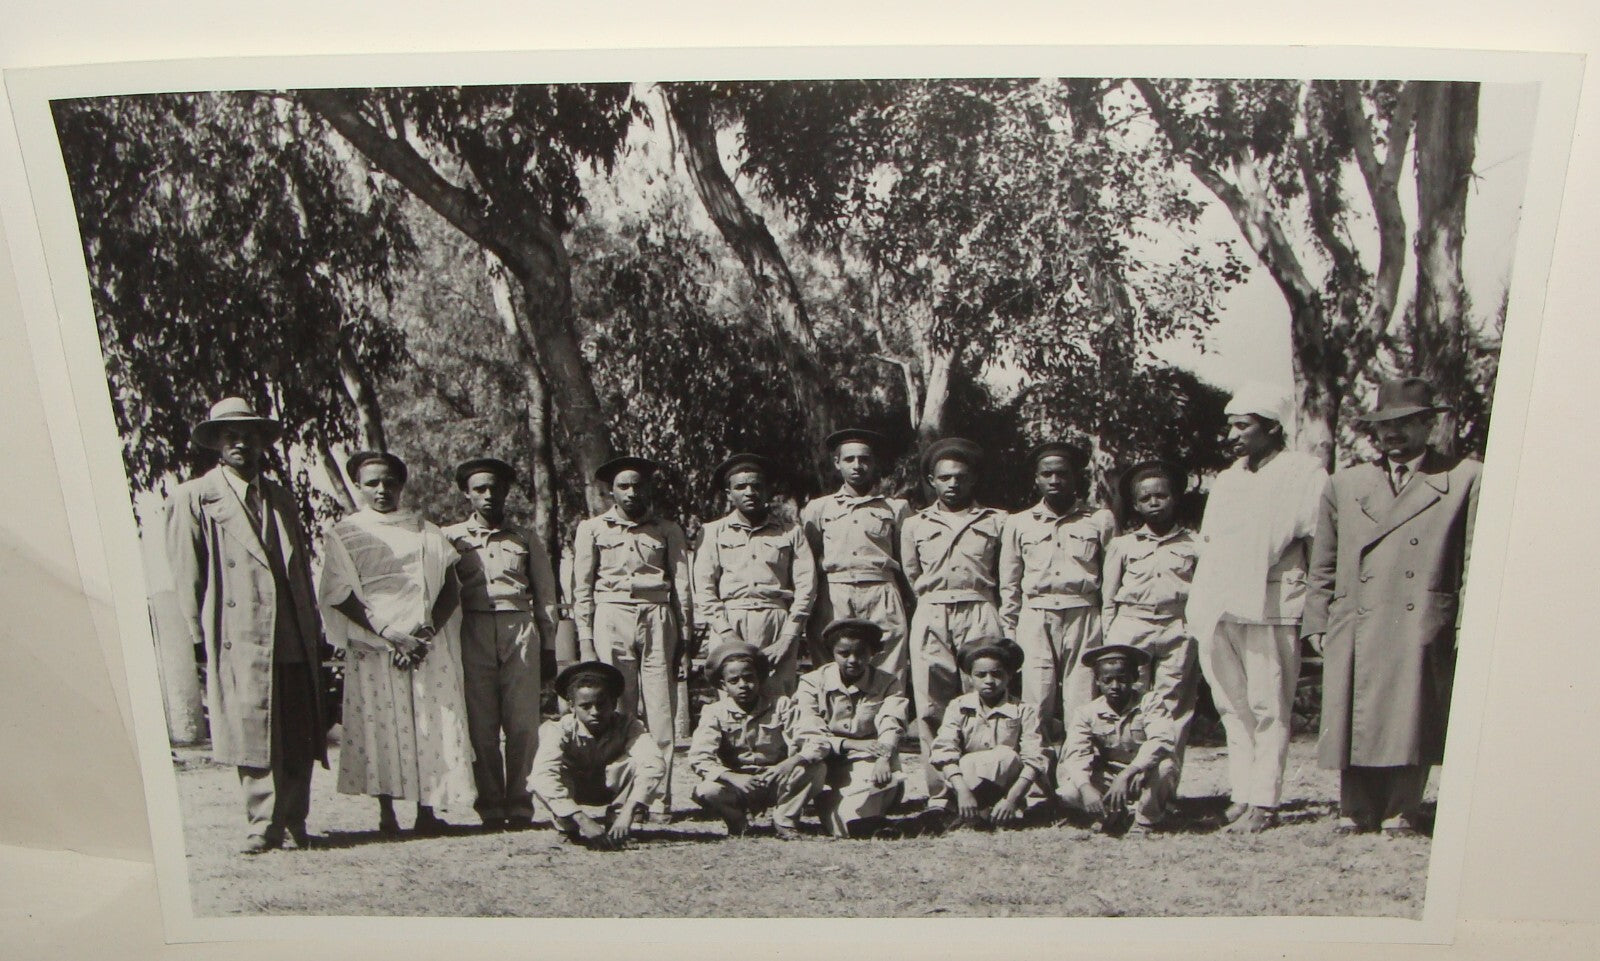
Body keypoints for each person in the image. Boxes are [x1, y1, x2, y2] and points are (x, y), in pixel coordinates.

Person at [1302, 378, 1480, 836]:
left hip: (1419, 614)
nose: (1394, 434)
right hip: (1356, 615)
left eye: (1405, 423)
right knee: (1351, 708)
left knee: (1411, 710)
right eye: (1384, 426)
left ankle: (1403, 808)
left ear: (1428, 425)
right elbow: (1322, 560)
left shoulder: (1465, 477)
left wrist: (1466, 622)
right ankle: (1355, 808)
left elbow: (1477, 558)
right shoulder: (1345, 484)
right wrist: (1317, 618)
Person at [163, 397, 328, 855]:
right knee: (254, 726)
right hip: (238, 628)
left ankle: (295, 820)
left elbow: (298, 569)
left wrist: (313, 624)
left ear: (262, 441)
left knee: (297, 726)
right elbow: (186, 573)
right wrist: (197, 637)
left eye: (249, 434)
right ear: (216, 442)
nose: (241, 443)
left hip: (291, 628)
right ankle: (262, 823)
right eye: (230, 435)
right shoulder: (194, 497)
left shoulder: (280, 496)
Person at [1186, 383, 1329, 833]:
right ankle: (1242, 793)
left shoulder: (1304, 472)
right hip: (1220, 603)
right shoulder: (1228, 479)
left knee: (1269, 706)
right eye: (1231, 426)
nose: (1233, 435)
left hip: (1270, 603)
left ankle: (1265, 802)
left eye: (1243, 426)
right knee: (1233, 705)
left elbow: (1311, 538)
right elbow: (1211, 543)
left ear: (1271, 428)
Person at [319, 450, 477, 835]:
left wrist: (421, 637)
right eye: (372, 482)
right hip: (376, 641)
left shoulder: (425, 530)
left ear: (402, 484)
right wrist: (390, 635)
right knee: (381, 723)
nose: (382, 489)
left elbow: (450, 590)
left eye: (389, 481)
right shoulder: (345, 533)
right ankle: (386, 813)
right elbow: (338, 593)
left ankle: (427, 811)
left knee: (428, 723)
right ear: (358, 486)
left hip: (425, 643)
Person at [442, 456, 561, 831]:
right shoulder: (450, 538)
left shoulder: (524, 538)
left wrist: (549, 648)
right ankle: (491, 804)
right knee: (482, 725)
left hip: (520, 628)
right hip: (472, 628)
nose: (489, 495)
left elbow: (545, 595)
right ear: (467, 494)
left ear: (507, 492)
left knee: (523, 723)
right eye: (480, 489)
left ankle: (521, 802)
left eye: (495, 488)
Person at [571, 455, 692, 813]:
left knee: (661, 711)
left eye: (638, 485)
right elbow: (582, 588)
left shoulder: (667, 530)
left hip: (657, 615)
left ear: (649, 488)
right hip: (611, 615)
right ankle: (623, 796)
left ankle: (658, 800)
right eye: (624, 486)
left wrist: (684, 640)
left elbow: (682, 589)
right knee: (615, 709)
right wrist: (586, 639)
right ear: (611, 491)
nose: (632, 492)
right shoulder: (592, 529)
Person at [901, 437, 1006, 804]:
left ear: (973, 478)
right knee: (932, 702)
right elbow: (911, 575)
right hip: (932, 610)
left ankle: (984, 783)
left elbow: (1006, 575)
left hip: (980, 608)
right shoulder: (915, 524)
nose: (953, 484)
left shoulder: (996, 520)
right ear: (932, 480)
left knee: (982, 697)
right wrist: (932, 604)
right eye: (944, 477)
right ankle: (941, 790)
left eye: (960, 477)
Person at [999, 441, 1117, 743]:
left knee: (1082, 700)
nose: (1055, 481)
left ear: (1076, 477)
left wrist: (1109, 628)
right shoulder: (1019, 522)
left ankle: (1077, 778)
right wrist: (1009, 631)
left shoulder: (1099, 519)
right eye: (1047, 474)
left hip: (1084, 616)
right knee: (1036, 700)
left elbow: (1113, 579)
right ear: (1036, 478)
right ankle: (1037, 781)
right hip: (1035, 616)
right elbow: (1010, 583)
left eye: (1063, 474)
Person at [694, 453, 817, 697]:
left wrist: (788, 637)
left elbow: (807, 587)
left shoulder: (791, 532)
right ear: (728, 493)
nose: (750, 492)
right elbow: (704, 589)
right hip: (729, 621)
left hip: (776, 621)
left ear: (768, 490)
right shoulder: (712, 533)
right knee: (733, 699)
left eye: (757, 486)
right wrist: (727, 634)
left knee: (778, 698)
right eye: (740, 486)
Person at [1101, 461, 1200, 748]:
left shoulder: (1194, 543)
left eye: (1161, 496)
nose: (1154, 503)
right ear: (1135, 505)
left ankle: (1163, 786)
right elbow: (1108, 598)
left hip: (1177, 628)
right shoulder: (1123, 545)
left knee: (1175, 705)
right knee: (1131, 699)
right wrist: (1111, 638)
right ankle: (1130, 779)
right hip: (1131, 626)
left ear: (1175, 498)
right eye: (1145, 498)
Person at [801, 428, 913, 680]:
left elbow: (907, 563)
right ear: (837, 463)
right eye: (850, 459)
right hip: (835, 594)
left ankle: (886, 718)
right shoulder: (819, 508)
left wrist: (912, 605)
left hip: (882, 592)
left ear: (874, 464)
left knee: (887, 667)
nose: (858, 466)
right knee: (832, 669)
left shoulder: (896, 508)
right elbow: (808, 562)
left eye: (865, 459)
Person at [688, 642, 828, 839]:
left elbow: (817, 740)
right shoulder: (714, 712)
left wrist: (788, 764)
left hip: (777, 779)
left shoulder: (782, 705)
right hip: (738, 784)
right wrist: (733, 777)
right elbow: (699, 757)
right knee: (707, 789)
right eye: (734, 680)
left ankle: (785, 820)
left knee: (816, 769)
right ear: (723, 685)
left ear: (760, 678)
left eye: (748, 678)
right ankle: (738, 822)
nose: (743, 685)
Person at [527, 661, 667, 849]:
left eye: (601, 704)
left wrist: (629, 811)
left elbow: (654, 763)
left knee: (636, 763)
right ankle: (567, 827)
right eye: (585, 706)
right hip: (575, 789)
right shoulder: (557, 729)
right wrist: (582, 819)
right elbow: (542, 775)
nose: (595, 712)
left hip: (612, 787)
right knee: (550, 774)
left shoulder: (629, 725)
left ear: (614, 702)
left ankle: (619, 825)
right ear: (571, 705)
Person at [794, 618, 910, 838]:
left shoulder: (888, 683)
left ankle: (872, 808)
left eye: (861, 653)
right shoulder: (811, 682)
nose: (853, 660)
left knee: (853, 817)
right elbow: (809, 730)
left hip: (867, 760)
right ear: (832, 652)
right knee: (841, 820)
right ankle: (841, 807)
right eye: (844, 653)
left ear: (873, 652)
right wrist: (851, 743)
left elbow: (891, 723)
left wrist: (883, 758)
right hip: (824, 759)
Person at [923, 637, 1046, 833]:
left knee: (1006, 755)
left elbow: (1035, 759)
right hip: (967, 782)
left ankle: (994, 812)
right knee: (964, 762)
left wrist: (1011, 800)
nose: (989, 681)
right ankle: (969, 811)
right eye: (981, 675)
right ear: (970, 678)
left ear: (1009, 676)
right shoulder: (958, 707)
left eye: (996, 674)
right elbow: (944, 751)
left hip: (1007, 785)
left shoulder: (1024, 710)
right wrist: (963, 792)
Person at [1056, 645, 1181, 837]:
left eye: (1122, 679)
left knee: (1166, 766)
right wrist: (1086, 787)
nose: (1115, 686)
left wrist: (1129, 774)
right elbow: (1076, 753)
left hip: (1142, 775)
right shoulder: (1086, 713)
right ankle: (1113, 813)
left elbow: (1161, 740)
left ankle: (1144, 820)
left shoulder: (1150, 702)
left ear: (1135, 678)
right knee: (1069, 790)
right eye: (1107, 680)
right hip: (1109, 777)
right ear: (1098, 681)